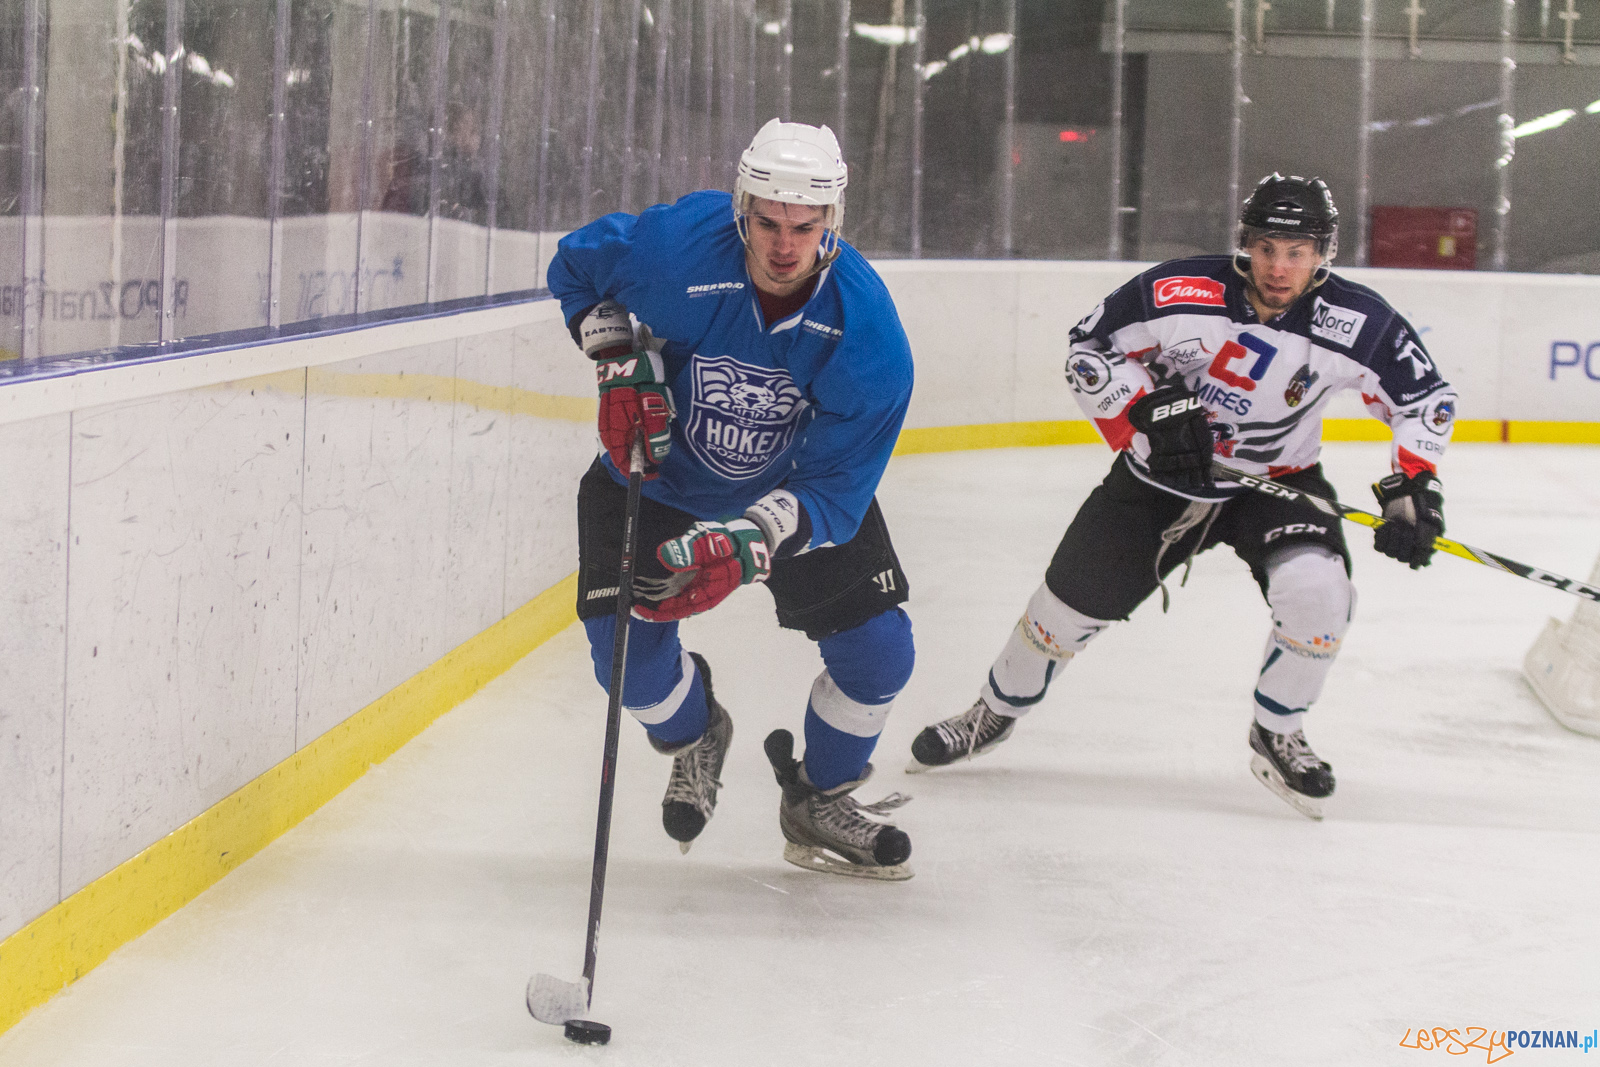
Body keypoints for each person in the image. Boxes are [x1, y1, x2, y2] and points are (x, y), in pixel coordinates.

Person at [906, 174, 1458, 820]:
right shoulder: (1179, 290)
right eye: (1266, 248)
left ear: (1323, 253)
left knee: (1321, 593)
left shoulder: (1359, 321)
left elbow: (1423, 398)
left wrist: (1413, 486)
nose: (1279, 268)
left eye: (1297, 252)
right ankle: (993, 711)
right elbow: (1089, 350)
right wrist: (1145, 411)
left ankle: (1278, 730)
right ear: (1245, 243)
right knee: (1060, 610)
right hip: (1160, 478)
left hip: (1277, 483)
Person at [546, 119, 918, 878]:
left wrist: (755, 536)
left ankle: (818, 798)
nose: (785, 247)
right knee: (629, 669)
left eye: (805, 228)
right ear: (742, 210)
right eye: (769, 224)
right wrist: (614, 354)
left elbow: (840, 481)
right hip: (657, 478)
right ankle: (697, 734)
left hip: (787, 489)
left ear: (832, 220)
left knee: (880, 654)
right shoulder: (676, 248)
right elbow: (577, 265)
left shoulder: (868, 332)